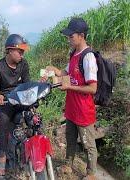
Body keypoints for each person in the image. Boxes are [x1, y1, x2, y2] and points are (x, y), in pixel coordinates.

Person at [45, 17, 98, 180]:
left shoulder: (88, 57)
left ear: (81, 36)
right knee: (70, 138)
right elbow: (66, 73)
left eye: (71, 36)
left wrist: (69, 87)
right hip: (72, 109)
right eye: (68, 36)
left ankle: (91, 174)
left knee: (88, 144)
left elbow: (92, 88)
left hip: (83, 110)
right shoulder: (74, 53)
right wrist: (54, 70)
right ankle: (68, 164)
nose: (68, 39)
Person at [0, 34, 30, 176]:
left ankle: (28, 150)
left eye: (23, 52)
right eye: (20, 52)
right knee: (3, 120)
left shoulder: (23, 64)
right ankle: (2, 155)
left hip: (21, 99)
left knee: (31, 118)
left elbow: (27, 85)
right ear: (10, 50)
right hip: (6, 100)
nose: (22, 55)